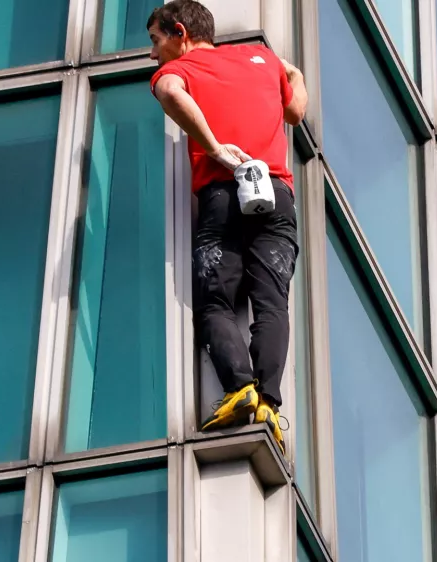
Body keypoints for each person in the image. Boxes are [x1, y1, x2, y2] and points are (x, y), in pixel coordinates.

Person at [146, 0, 307, 452]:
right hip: (276, 193)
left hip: (224, 193)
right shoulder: (261, 59)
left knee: (214, 300)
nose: (153, 54)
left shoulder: (180, 70)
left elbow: (172, 93)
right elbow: (295, 95)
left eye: (156, 41)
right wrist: (291, 91)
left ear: (180, 32)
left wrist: (213, 147)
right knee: (272, 303)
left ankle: (240, 389)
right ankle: (269, 407)